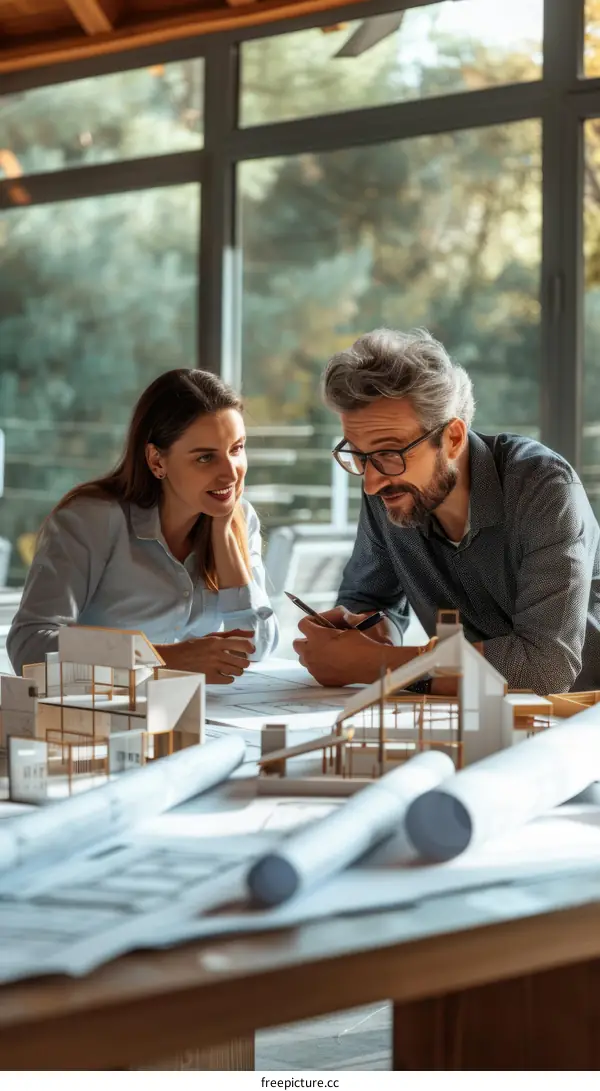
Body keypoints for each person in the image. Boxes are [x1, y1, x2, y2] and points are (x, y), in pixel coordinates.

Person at [294, 328, 600, 696]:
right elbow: (371, 601)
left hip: (578, 722)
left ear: (452, 438)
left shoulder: (543, 488)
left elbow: (544, 668)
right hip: (474, 716)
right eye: (359, 455)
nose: (371, 483)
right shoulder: (391, 486)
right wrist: (369, 633)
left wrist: (380, 665)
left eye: (389, 452)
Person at [8, 369, 278, 682]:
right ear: (156, 461)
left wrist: (226, 535)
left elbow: (257, 646)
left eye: (237, 448)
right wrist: (164, 658)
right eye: (205, 458)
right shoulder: (92, 519)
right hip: (101, 719)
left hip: (197, 717)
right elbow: (29, 646)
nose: (231, 474)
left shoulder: (238, 517)